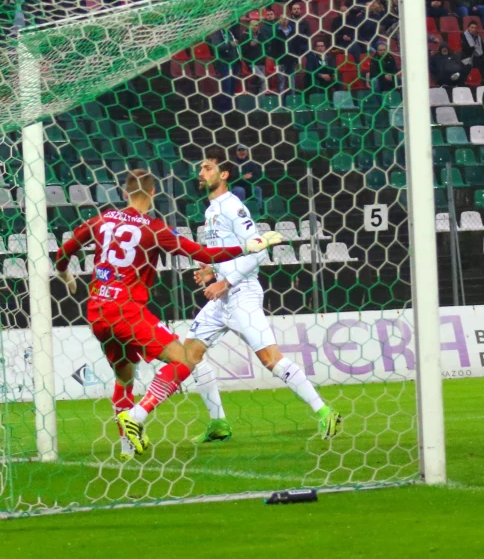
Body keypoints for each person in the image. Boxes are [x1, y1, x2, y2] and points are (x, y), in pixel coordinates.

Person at [53, 169, 279, 458]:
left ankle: (126, 450)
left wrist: (65, 274)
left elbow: (65, 250)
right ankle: (137, 416)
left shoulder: (103, 218)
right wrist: (247, 246)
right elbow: (204, 255)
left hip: (97, 312)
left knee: (124, 378)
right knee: (184, 359)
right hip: (128, 311)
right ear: (153, 193)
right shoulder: (154, 228)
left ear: (124, 193)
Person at [186, 148, 342, 442]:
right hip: (223, 298)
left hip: (241, 294)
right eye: (201, 168)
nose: (201, 173)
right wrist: (211, 272)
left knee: (271, 360)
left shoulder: (234, 208)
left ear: (224, 174)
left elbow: (258, 253)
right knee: (188, 355)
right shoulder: (210, 210)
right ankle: (218, 424)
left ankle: (326, 413)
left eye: (207, 168)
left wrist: (225, 282)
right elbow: (230, 253)